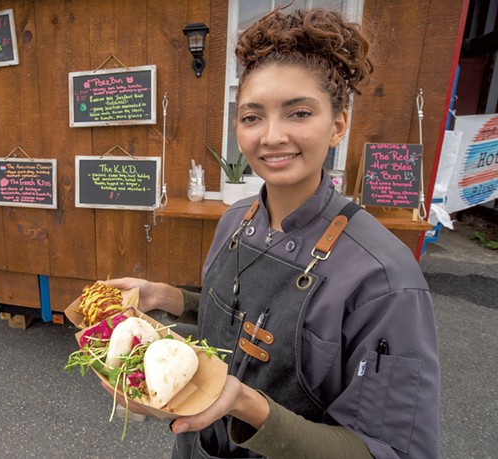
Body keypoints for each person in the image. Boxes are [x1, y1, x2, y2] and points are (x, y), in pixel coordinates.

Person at [108, 6, 439, 458]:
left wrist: (248, 405)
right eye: (252, 116)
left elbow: (394, 451)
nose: (271, 136)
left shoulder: (383, 279)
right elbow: (246, 323)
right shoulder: (236, 218)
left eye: (299, 113)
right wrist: (167, 298)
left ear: (338, 124)